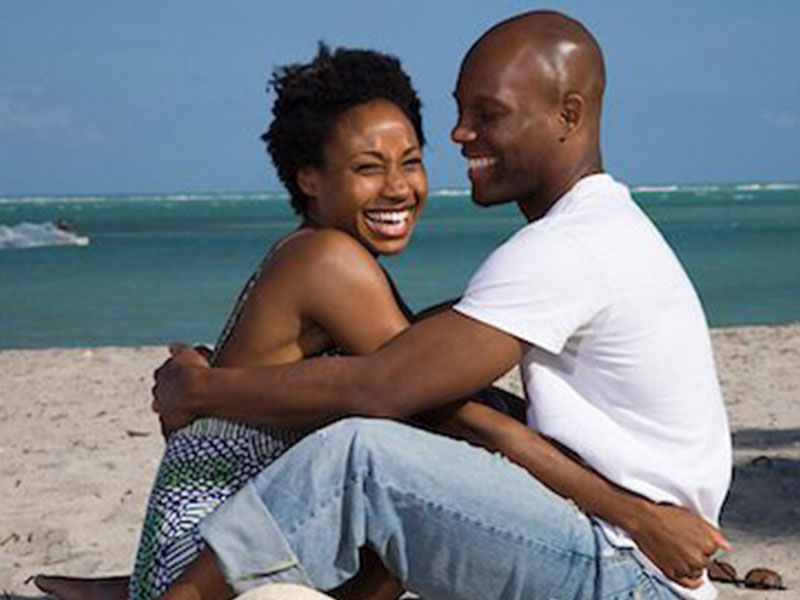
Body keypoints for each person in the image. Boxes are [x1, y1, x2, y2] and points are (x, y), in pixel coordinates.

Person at [149, 10, 733, 600]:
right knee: (402, 463)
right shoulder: (595, 231)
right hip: (628, 550)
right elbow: (444, 396)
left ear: (568, 115)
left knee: (365, 455)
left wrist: (196, 390)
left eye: (488, 114)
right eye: (458, 112)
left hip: (627, 567)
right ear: (309, 178)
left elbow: (388, 387)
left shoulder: (567, 247)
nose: (459, 134)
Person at [35, 44, 432, 600]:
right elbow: (429, 387)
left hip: (217, 549)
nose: (397, 188)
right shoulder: (329, 261)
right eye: (369, 167)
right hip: (203, 569)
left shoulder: (315, 253)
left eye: (410, 162)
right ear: (309, 179)